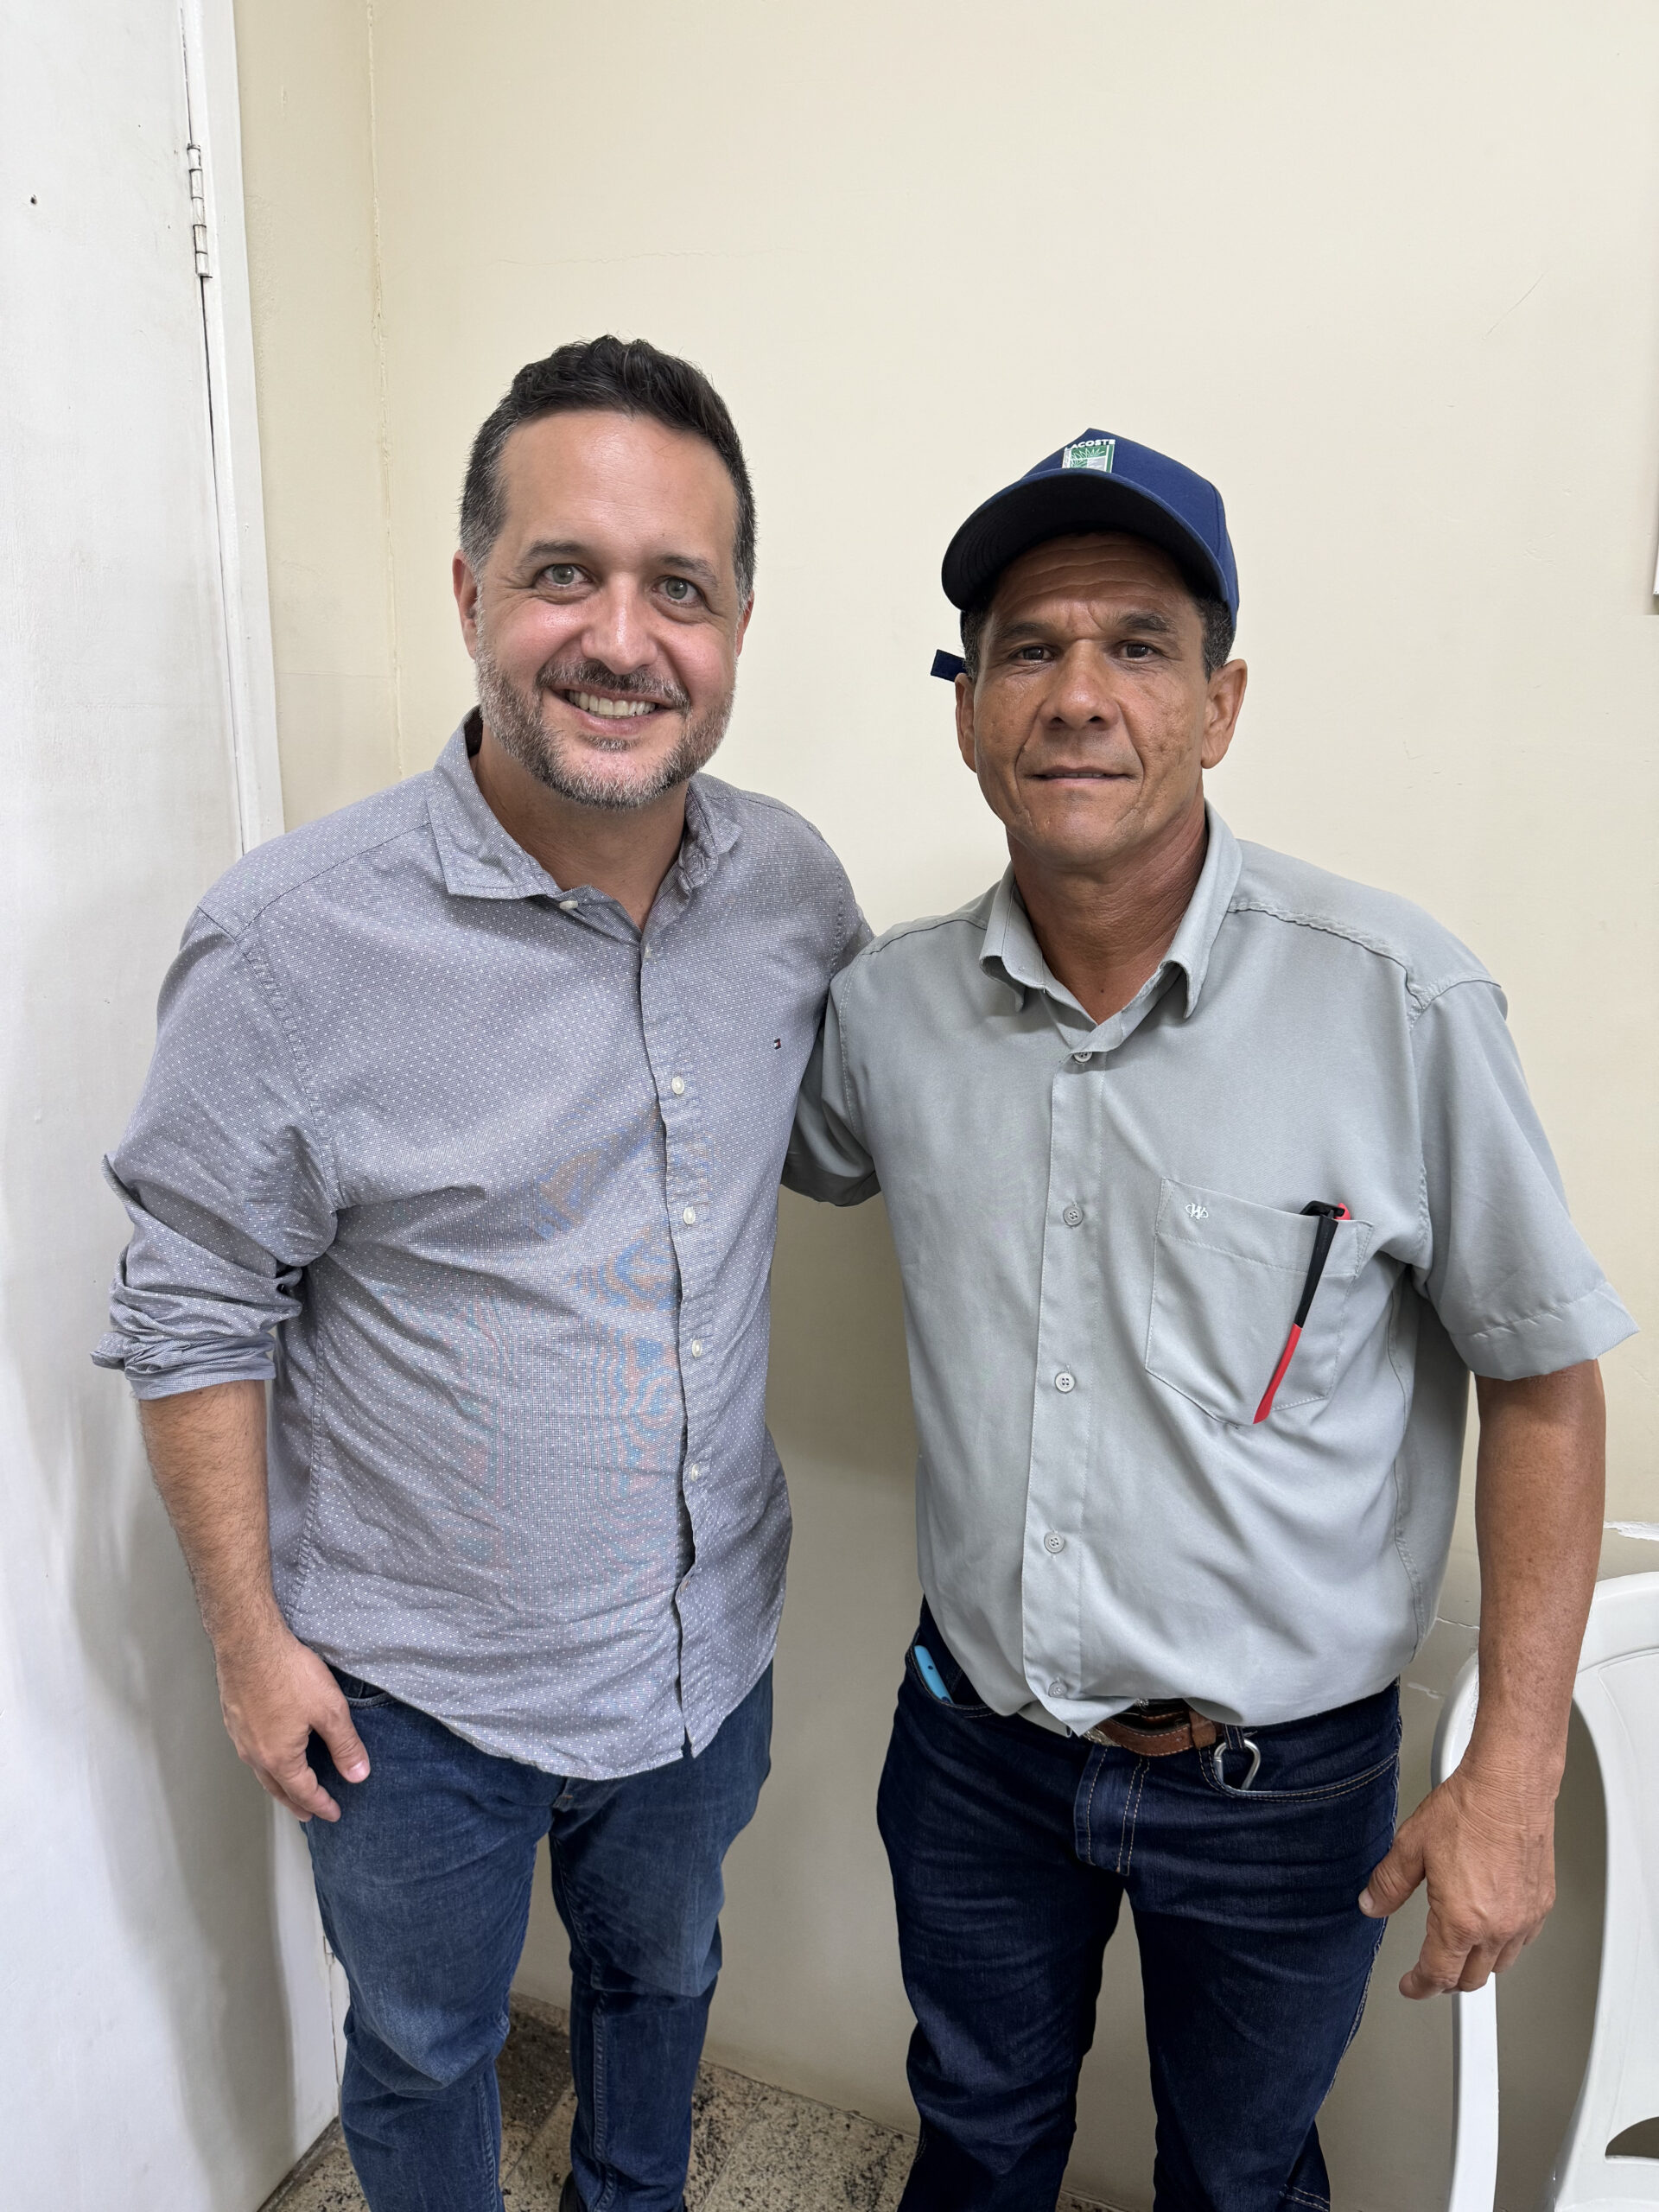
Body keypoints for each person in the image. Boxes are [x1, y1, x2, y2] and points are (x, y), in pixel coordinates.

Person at [787, 429, 1635, 2211]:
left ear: (1221, 704)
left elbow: (1545, 1382)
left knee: (1244, 2180)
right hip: (977, 1748)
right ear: (969, 713)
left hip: (1281, 1781)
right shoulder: (888, 1018)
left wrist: (1512, 1767)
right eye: (1028, 648)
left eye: (1139, 646)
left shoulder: (1400, 1001)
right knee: (976, 2143)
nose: (1079, 694)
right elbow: (717, 1133)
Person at [95, 335, 864, 2212]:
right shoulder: (292, 945)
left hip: (698, 1653)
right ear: (470, 594)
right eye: (562, 573)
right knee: (427, 2043)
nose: (622, 638)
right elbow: (192, 1302)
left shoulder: (791, 895)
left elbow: (858, 1138)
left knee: (662, 1980)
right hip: (407, 1695)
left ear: (737, 626)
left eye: (679, 586)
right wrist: (249, 1643)